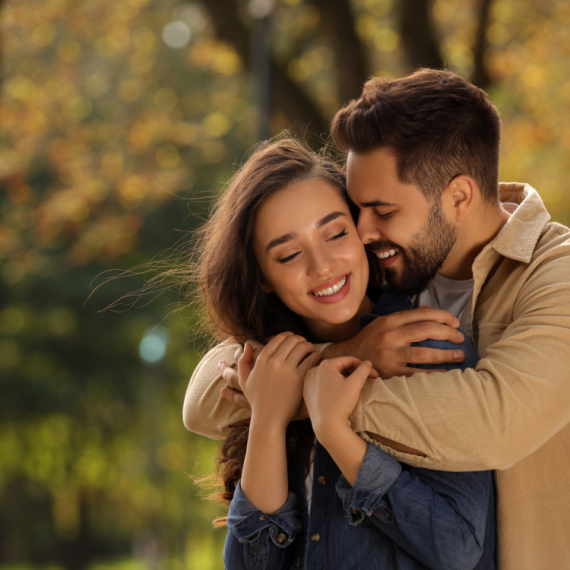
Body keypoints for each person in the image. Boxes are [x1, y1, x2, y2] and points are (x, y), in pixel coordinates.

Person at [184, 69, 570, 569]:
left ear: (458, 197)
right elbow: (203, 401)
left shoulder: (554, 274)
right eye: (356, 210)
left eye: (381, 210)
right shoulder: (385, 271)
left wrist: (326, 400)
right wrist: (349, 354)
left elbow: (496, 422)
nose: (362, 231)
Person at [194, 139, 494, 569]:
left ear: (362, 232)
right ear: (262, 277)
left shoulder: (429, 347)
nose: (323, 266)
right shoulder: (268, 370)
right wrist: (268, 420)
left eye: (336, 233)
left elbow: (458, 548)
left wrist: (335, 432)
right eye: (289, 254)